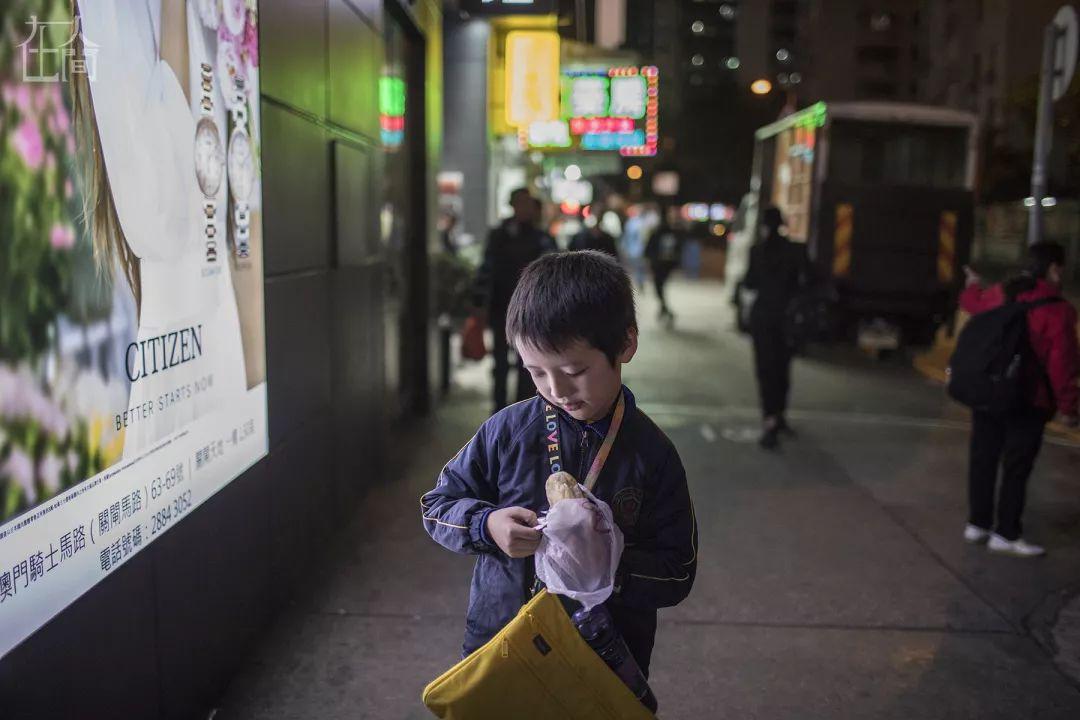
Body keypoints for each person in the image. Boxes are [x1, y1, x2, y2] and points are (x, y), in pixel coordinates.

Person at [422, 251, 698, 678]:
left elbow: (678, 571)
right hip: (502, 644)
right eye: (537, 372)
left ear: (626, 344)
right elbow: (438, 505)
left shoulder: (651, 454)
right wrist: (487, 526)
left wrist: (611, 568)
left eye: (575, 370)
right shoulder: (508, 431)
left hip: (604, 658)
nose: (557, 390)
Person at [959, 242, 1079, 557]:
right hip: (1029, 399)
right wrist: (1068, 407)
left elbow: (973, 304)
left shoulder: (1003, 292)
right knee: (1016, 466)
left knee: (983, 458)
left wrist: (972, 285)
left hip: (991, 390)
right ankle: (1006, 532)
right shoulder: (1058, 309)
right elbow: (1061, 364)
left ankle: (977, 524)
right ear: (1054, 268)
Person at [473, 188, 557, 413]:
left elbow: (553, 273)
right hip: (501, 307)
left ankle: (524, 410)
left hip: (532, 311)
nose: (524, 208)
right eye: (520, 203)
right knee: (500, 363)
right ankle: (500, 411)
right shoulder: (499, 234)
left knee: (528, 364)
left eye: (528, 204)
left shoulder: (542, 237)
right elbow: (487, 268)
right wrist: (480, 303)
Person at [742, 206, 809, 450]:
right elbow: (804, 282)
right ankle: (780, 415)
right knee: (782, 369)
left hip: (763, 318)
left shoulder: (756, 251)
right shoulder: (795, 250)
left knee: (765, 370)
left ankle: (769, 419)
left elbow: (750, 282)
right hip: (786, 319)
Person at [644, 206, 686, 325]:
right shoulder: (660, 232)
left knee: (659, 286)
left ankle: (664, 308)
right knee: (659, 287)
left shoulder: (669, 232)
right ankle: (664, 308)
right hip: (660, 264)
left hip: (664, 264)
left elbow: (678, 248)